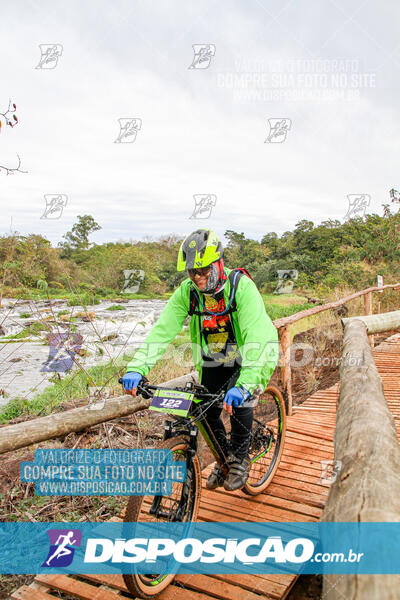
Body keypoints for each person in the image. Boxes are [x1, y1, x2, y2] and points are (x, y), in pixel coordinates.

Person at [122, 229, 278, 491]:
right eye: (192, 272)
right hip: (215, 355)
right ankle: (223, 457)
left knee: (242, 401)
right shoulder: (188, 292)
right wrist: (138, 368)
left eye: (204, 270)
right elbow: (163, 330)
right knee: (202, 408)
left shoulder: (241, 287)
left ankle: (239, 459)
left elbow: (256, 337)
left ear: (219, 264)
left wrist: (246, 383)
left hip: (252, 351)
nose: (199, 277)